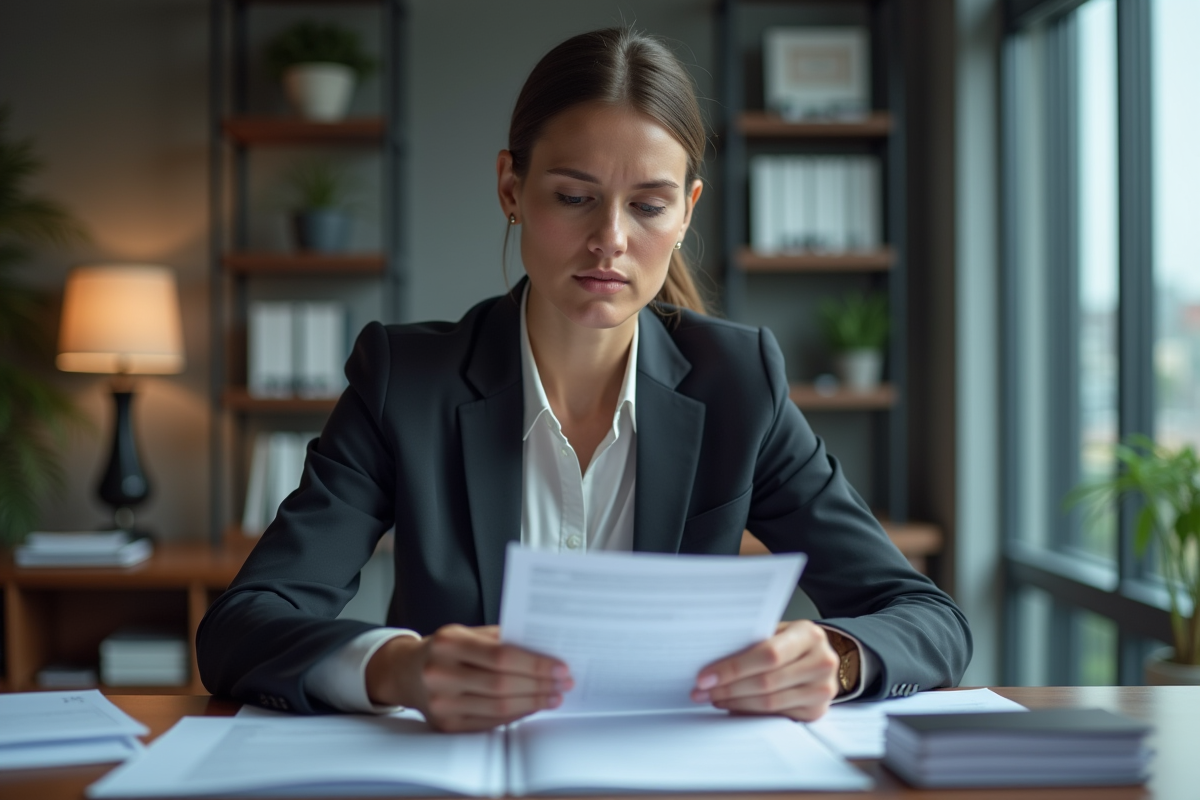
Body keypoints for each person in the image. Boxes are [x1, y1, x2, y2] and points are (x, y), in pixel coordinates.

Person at [198, 27, 971, 733]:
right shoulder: (406, 381)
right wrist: (397, 667)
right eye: (574, 198)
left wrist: (833, 657)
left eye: (649, 205)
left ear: (687, 212)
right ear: (511, 190)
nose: (610, 240)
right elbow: (243, 626)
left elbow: (925, 616)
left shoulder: (740, 385)